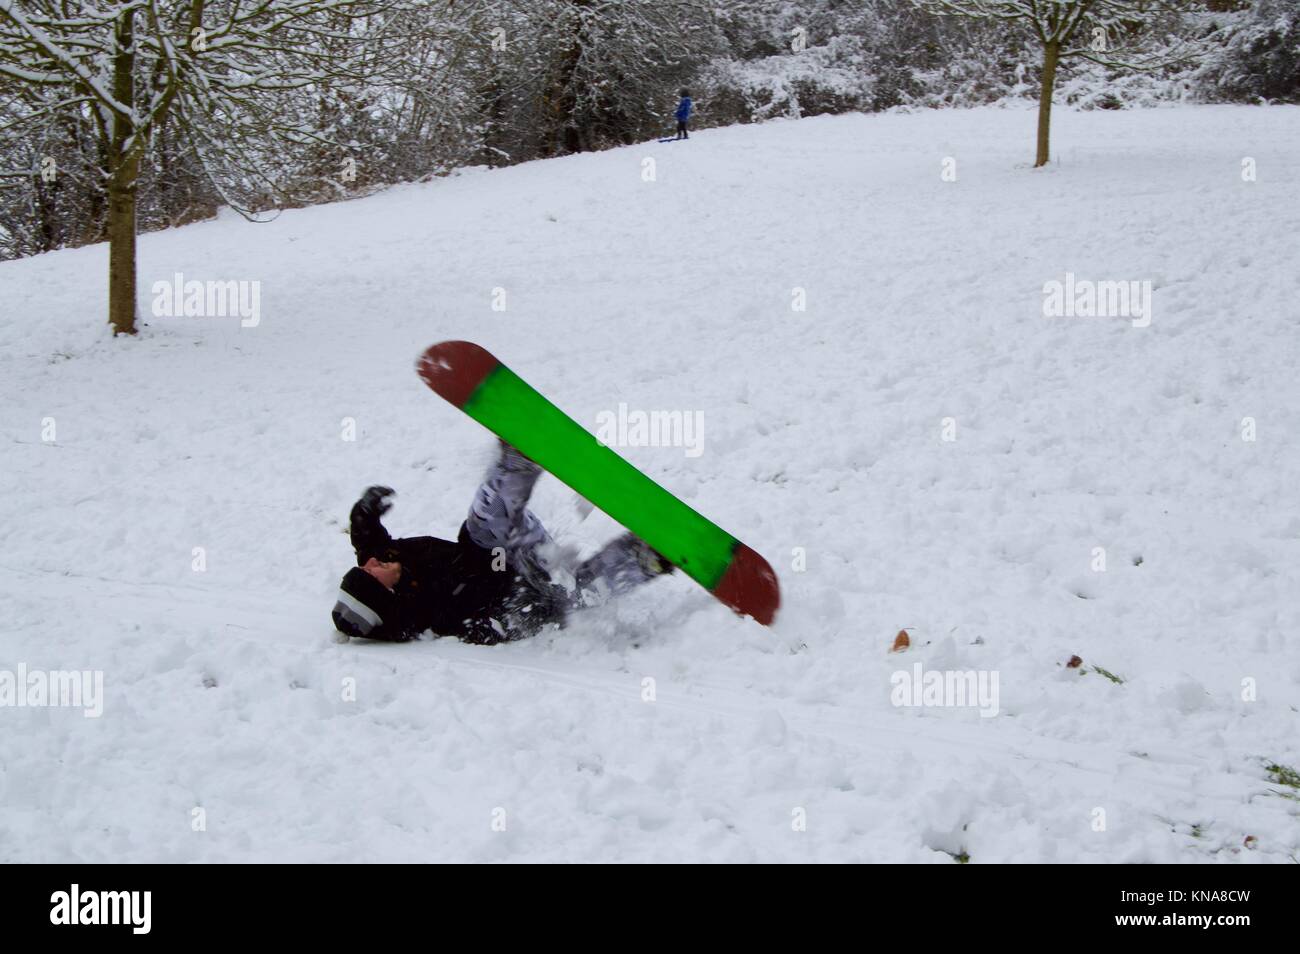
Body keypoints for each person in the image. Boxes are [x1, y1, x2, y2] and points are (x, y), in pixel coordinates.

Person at [331, 440, 674, 644]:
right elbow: (485, 626)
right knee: (573, 598)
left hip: (495, 550)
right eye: (371, 571)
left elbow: (366, 544)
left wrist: (364, 514)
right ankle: (643, 559)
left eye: (366, 563)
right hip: (517, 592)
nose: (371, 562)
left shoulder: (383, 560)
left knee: (484, 526)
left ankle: (517, 463)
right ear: (387, 593)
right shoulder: (424, 613)